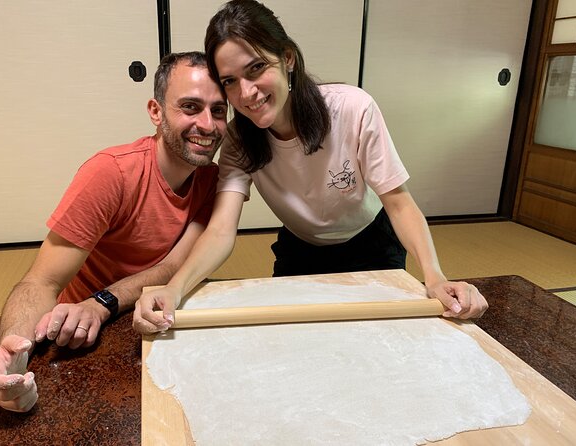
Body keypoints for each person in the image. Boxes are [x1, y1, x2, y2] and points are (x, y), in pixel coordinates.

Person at [133, 0, 487, 335]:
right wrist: (175, 289)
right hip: (300, 247)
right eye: (230, 81)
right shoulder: (240, 137)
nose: (247, 93)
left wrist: (435, 277)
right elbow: (221, 230)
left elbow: (399, 203)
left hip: (372, 243)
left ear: (286, 58)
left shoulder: (352, 109)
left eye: (256, 68)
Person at [0, 51, 228, 412]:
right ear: (156, 112)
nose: (207, 125)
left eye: (218, 110)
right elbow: (42, 282)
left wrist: (107, 302)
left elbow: (175, 264)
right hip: (80, 334)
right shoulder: (110, 174)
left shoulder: (211, 181)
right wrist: (11, 349)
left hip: (148, 318)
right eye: (190, 107)